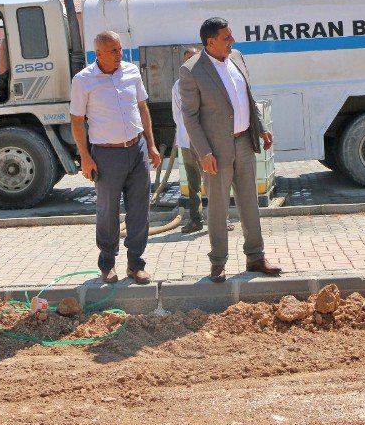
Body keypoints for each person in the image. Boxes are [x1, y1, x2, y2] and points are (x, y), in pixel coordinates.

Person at [178, 17, 282, 283]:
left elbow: (246, 97)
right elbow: (190, 117)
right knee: (218, 208)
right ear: (210, 42)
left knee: (250, 202)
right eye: (226, 38)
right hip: (216, 150)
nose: (232, 41)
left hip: (244, 143)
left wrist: (259, 127)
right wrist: (205, 153)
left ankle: (255, 257)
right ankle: (218, 262)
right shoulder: (192, 71)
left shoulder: (236, 57)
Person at [70, 31, 162, 284]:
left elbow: (142, 108)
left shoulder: (131, 72)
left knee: (139, 209)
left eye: (120, 49)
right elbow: (77, 121)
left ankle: (136, 264)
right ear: (97, 53)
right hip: (106, 155)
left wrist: (151, 145)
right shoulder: (83, 80)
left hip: (137, 149)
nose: (119, 55)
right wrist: (85, 158)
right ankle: (107, 263)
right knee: (107, 211)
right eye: (112, 51)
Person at [172, 47, 234, 234]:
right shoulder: (177, 85)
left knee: (213, 182)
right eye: (187, 60)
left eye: (194, 59)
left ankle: (222, 219)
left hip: (207, 141)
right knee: (193, 183)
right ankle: (195, 220)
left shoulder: (211, 81)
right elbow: (178, 114)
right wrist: (186, 136)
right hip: (187, 140)